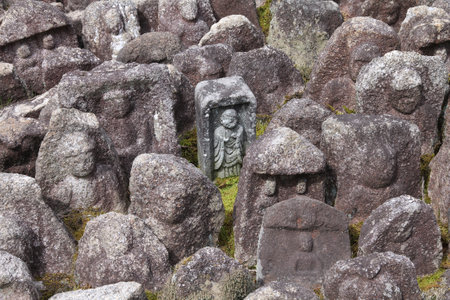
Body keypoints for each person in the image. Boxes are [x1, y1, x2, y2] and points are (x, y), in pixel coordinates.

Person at [214, 109, 244, 178]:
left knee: (236, 164)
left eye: (232, 120)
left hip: (235, 151)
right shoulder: (218, 130)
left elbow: (240, 134)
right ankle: (222, 175)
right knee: (224, 165)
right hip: (223, 152)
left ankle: (237, 173)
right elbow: (217, 136)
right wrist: (222, 139)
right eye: (227, 119)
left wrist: (237, 136)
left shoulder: (239, 128)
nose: (230, 123)